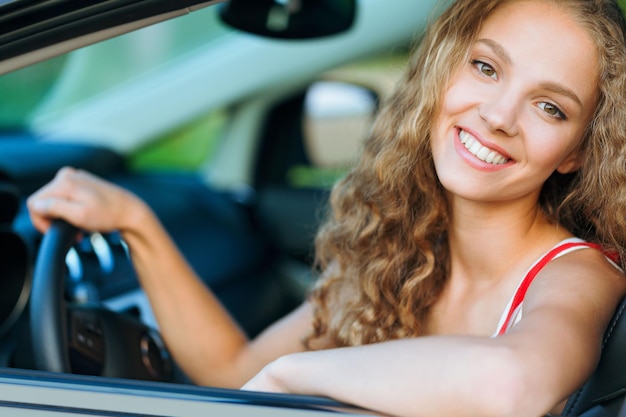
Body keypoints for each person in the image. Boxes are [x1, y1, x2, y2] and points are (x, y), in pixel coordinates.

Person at [27, 0, 626, 415]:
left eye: (551, 108)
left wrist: (295, 376)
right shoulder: (401, 254)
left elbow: (512, 386)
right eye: (486, 67)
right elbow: (236, 371)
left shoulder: (578, 274)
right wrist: (138, 223)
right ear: (444, 71)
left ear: (576, 152)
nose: (498, 115)